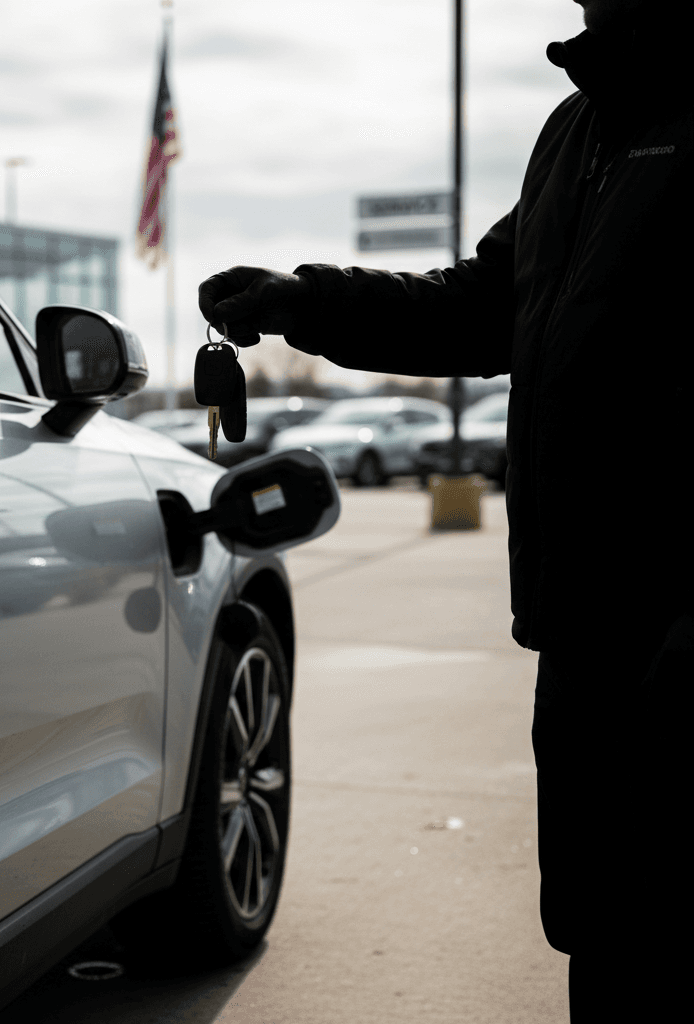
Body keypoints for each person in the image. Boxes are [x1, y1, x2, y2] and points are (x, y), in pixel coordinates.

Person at [198, 1, 691, 1020]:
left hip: (691, 627)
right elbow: (486, 304)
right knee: (601, 925)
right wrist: (308, 302)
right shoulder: (577, 128)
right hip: (586, 623)